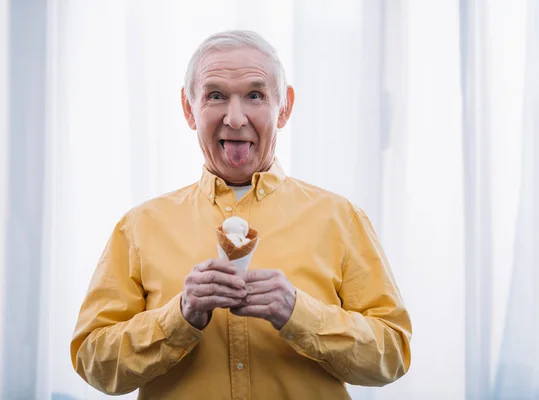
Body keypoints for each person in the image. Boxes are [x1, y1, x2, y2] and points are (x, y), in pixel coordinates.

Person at [70, 30, 412, 400]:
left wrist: (299, 314)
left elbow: (391, 355)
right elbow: (94, 363)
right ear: (189, 108)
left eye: (255, 95)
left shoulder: (341, 218)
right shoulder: (138, 227)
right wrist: (179, 317)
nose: (235, 119)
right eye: (215, 95)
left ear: (284, 107)